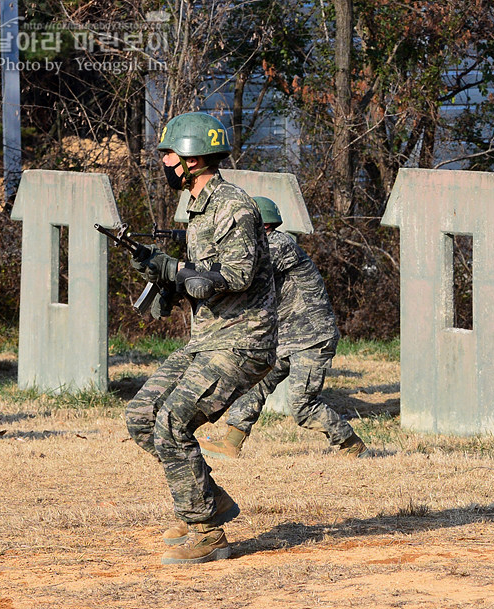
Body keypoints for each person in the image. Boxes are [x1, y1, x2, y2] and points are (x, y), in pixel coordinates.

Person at [124, 112, 278, 564]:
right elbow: (193, 281)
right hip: (206, 340)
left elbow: (238, 274)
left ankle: (206, 531)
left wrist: (178, 269)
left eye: (170, 153)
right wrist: (159, 272)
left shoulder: (233, 205)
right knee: (141, 416)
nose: (165, 160)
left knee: (172, 420)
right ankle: (210, 501)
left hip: (242, 340)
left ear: (192, 159)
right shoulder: (196, 207)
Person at [198, 196, 370, 461]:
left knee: (303, 406)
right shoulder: (262, 245)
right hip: (285, 338)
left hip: (312, 338)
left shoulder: (279, 244)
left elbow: (244, 275)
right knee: (253, 384)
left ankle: (353, 445)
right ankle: (231, 444)